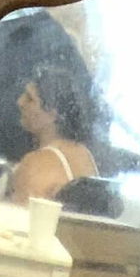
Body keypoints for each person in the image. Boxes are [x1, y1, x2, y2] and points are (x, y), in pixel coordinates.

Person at [10, 64, 102, 201]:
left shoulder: (35, 164)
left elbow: (21, 219)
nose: (20, 102)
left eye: (30, 99)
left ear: (52, 114)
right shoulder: (84, 154)